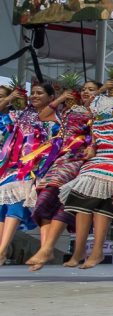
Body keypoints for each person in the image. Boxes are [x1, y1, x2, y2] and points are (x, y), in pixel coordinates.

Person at [60, 69, 113, 268]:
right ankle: (79, 251)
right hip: (102, 154)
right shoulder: (100, 101)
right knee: (82, 194)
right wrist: (101, 91)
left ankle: (97, 251)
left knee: (103, 200)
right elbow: (90, 118)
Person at [26, 80, 100, 270]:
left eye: (91, 90)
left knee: (58, 195)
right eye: (84, 89)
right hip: (60, 157)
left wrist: (91, 146)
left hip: (79, 157)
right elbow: (42, 115)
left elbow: (98, 132)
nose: (86, 92)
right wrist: (60, 98)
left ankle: (47, 249)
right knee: (46, 199)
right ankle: (46, 248)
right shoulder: (68, 110)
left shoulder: (100, 110)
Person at [0, 82, 58, 265]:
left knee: (16, 203)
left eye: (40, 93)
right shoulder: (21, 114)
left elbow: (55, 144)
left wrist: (40, 165)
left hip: (34, 168)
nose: (34, 96)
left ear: (51, 97)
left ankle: (2, 250)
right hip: (12, 166)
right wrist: (10, 98)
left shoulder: (54, 118)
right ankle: (1, 251)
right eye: (32, 93)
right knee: (2, 206)